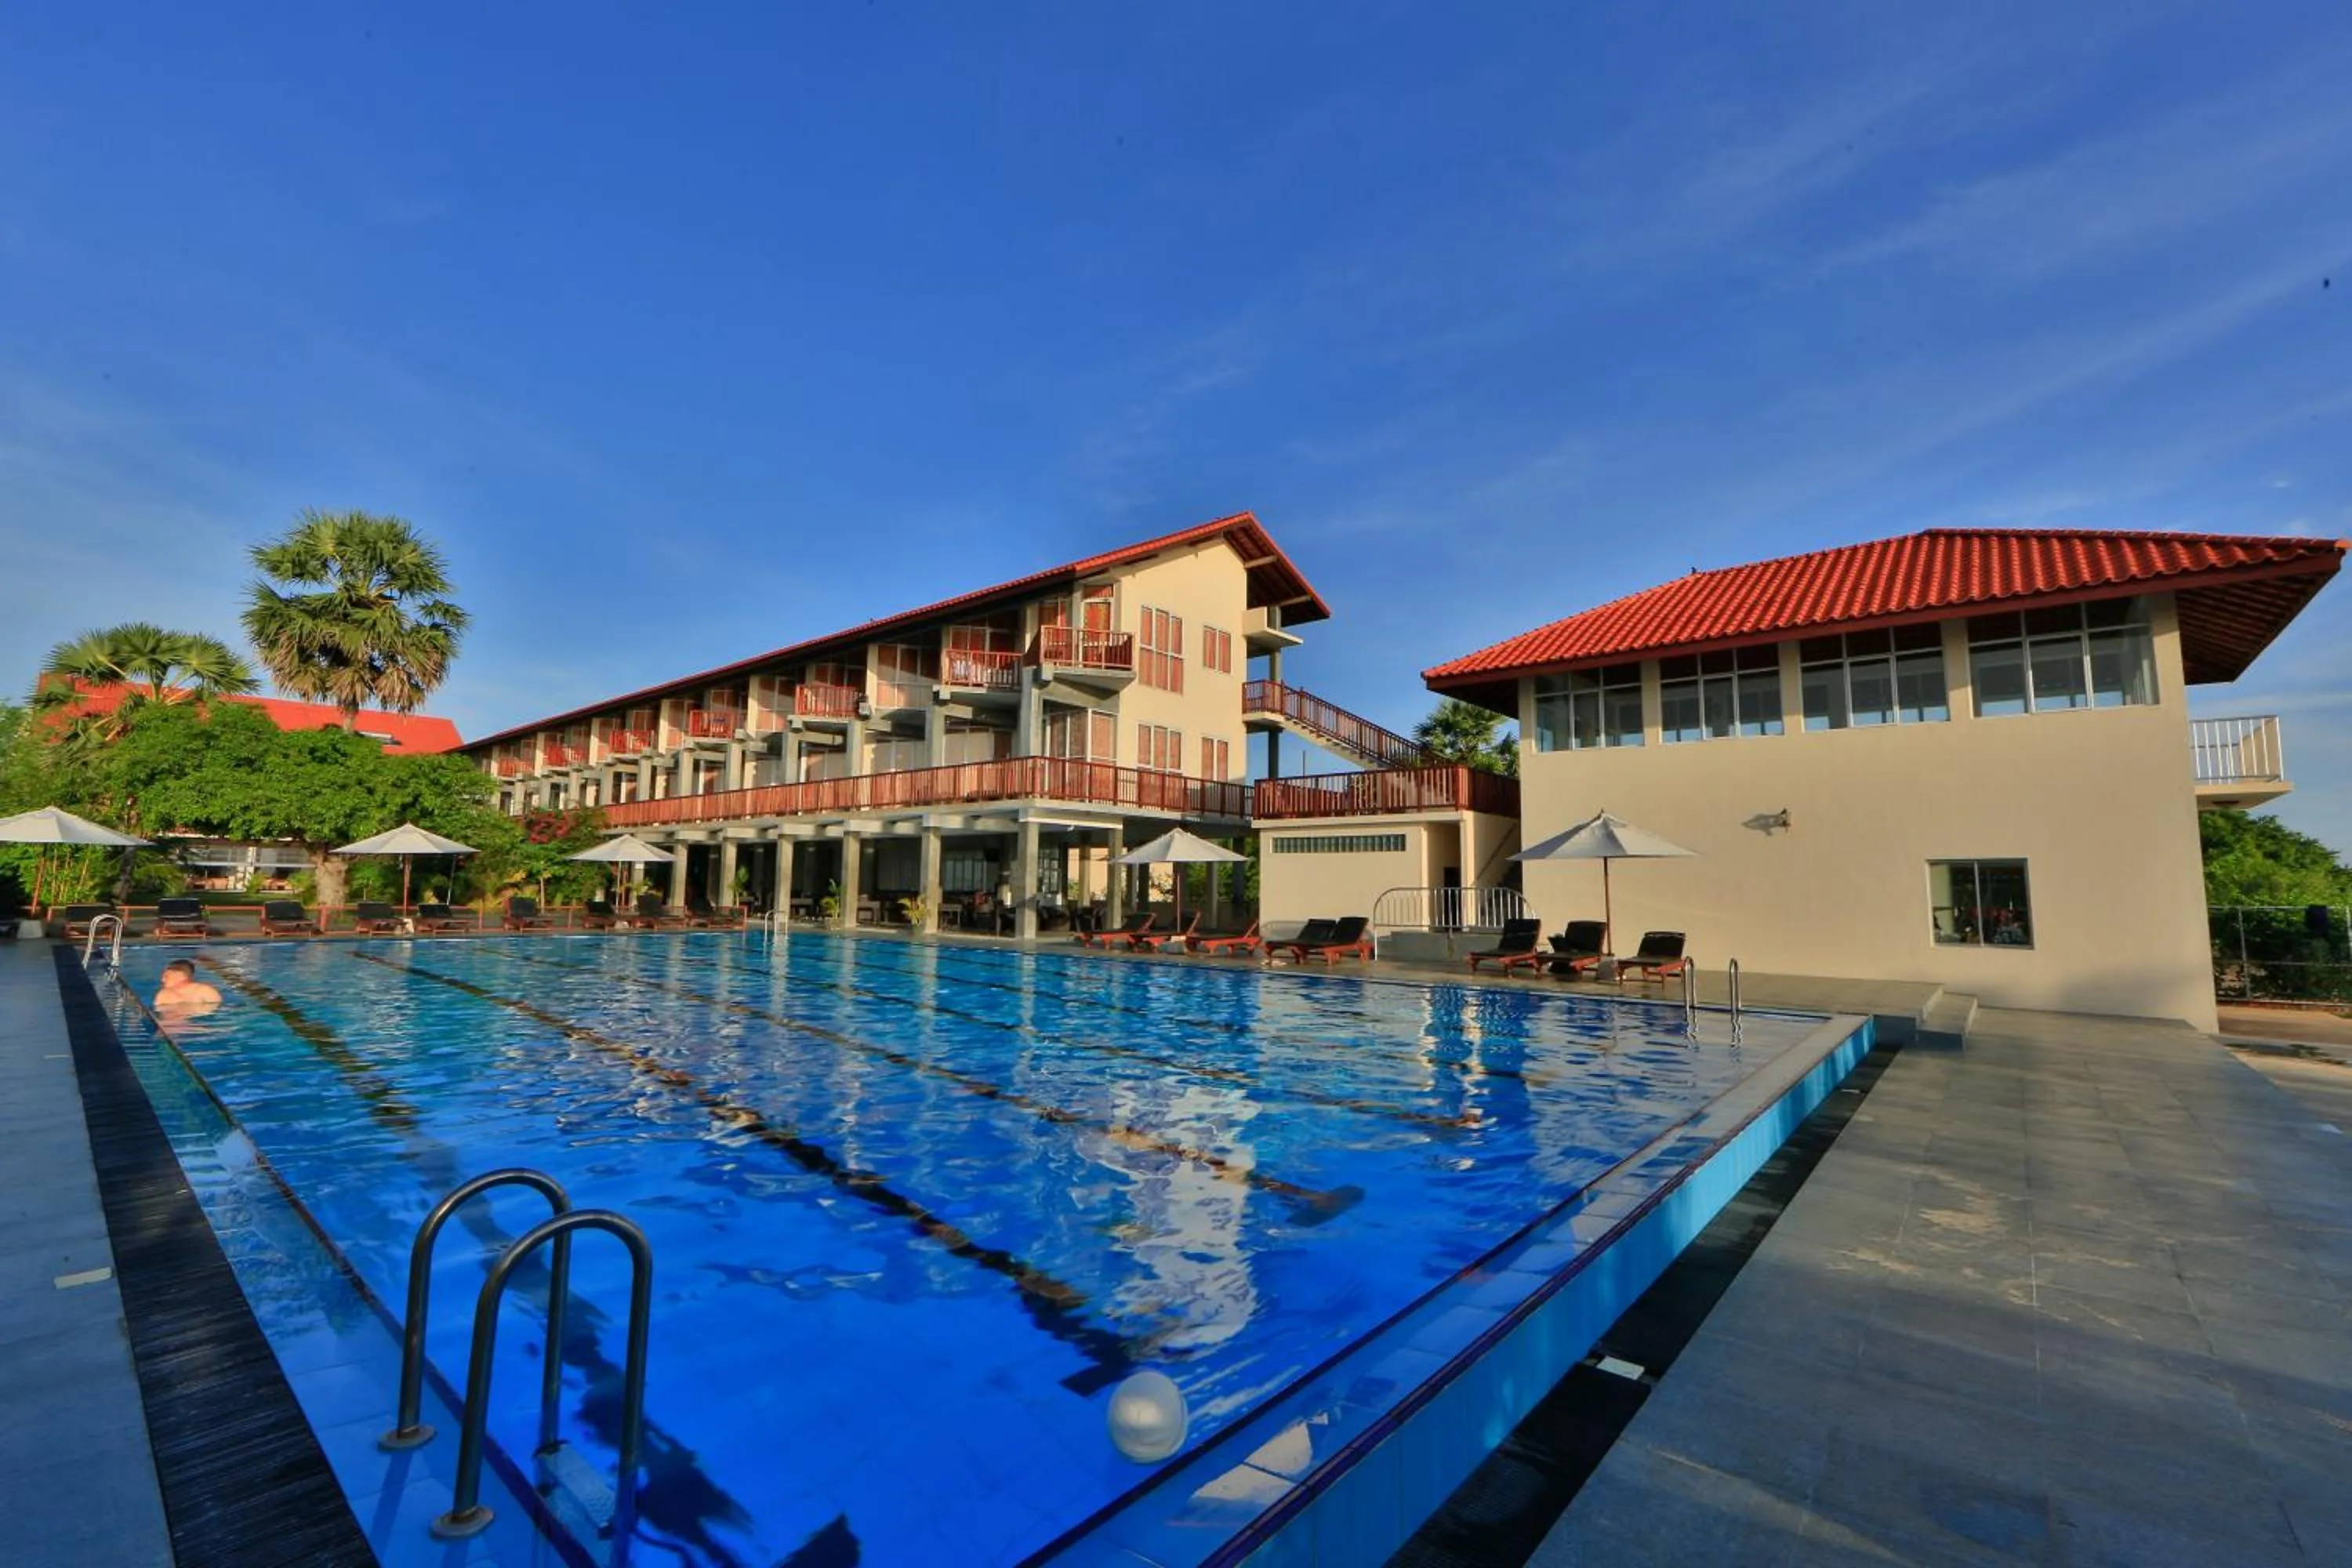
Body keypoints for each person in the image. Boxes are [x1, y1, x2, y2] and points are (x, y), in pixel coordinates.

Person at [153, 959, 223, 1020]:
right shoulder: (163, 994)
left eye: (166, 976)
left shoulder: (204, 990)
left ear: (180, 975)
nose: (162, 980)